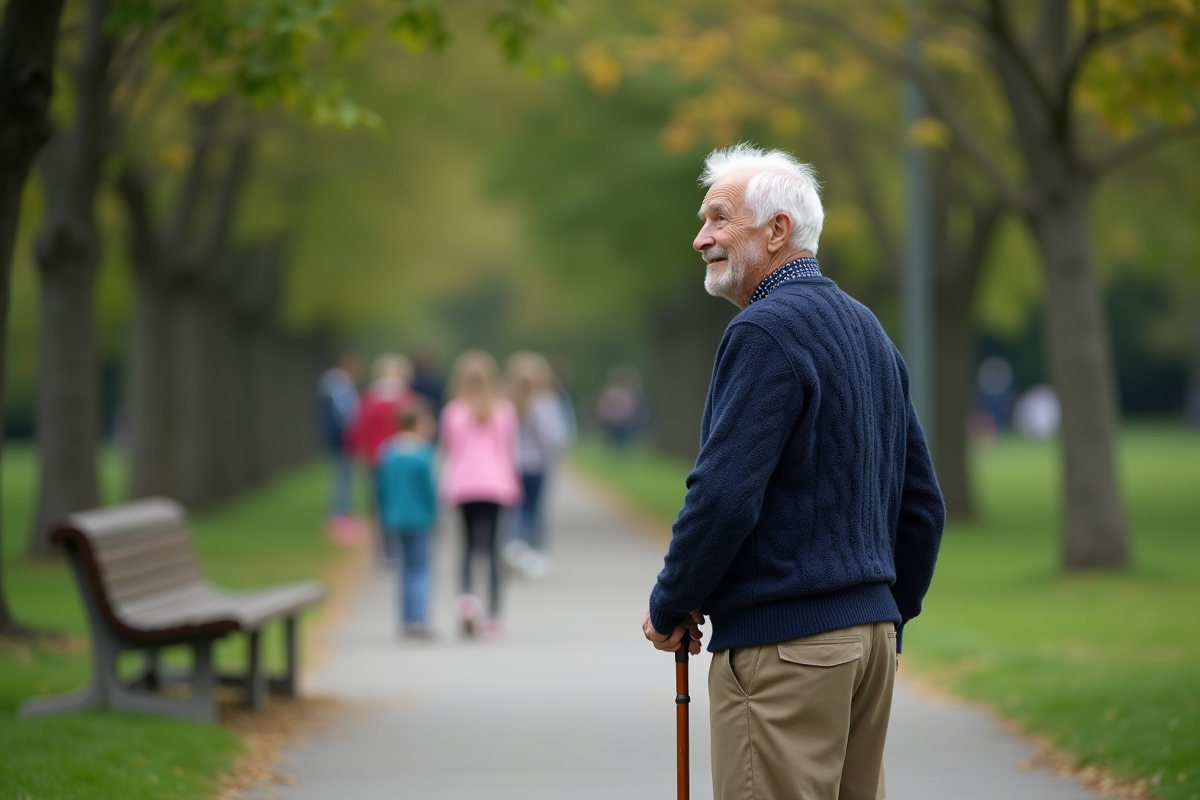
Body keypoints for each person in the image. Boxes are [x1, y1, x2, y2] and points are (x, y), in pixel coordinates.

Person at [641, 143, 945, 800]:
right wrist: (887, 618)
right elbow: (921, 507)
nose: (701, 239)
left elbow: (723, 497)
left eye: (719, 219)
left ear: (778, 231)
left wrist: (671, 601)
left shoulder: (764, 331)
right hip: (867, 645)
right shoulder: (868, 330)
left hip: (786, 649)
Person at [439, 350, 522, 640]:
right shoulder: (504, 411)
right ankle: (494, 617)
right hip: (495, 485)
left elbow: (448, 449)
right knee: (492, 549)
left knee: (467, 546)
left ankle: (466, 601)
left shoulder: (453, 412)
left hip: (463, 485)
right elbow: (507, 452)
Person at [376, 400, 439, 639]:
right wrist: (435, 516)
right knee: (420, 569)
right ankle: (418, 619)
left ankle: (404, 620)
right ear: (418, 424)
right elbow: (429, 490)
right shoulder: (423, 454)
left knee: (404, 569)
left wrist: (385, 513)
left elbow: (381, 487)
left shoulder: (388, 451)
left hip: (395, 518)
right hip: (420, 518)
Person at [504, 352, 569, 579]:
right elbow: (553, 436)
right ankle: (533, 552)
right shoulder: (545, 402)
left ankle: (514, 545)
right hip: (537, 464)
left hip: (512, 464)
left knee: (515, 508)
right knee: (534, 508)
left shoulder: (507, 401)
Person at [345, 353, 416, 560]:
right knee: (401, 501)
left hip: (375, 458)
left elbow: (358, 430)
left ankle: (384, 550)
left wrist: (360, 454)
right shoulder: (407, 398)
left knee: (378, 504)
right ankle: (401, 545)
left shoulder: (368, 398)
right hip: (405, 459)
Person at [315, 351, 361, 539]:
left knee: (343, 477)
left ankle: (341, 516)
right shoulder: (338, 384)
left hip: (337, 438)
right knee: (343, 478)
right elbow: (344, 414)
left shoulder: (331, 383)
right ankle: (338, 519)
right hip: (341, 439)